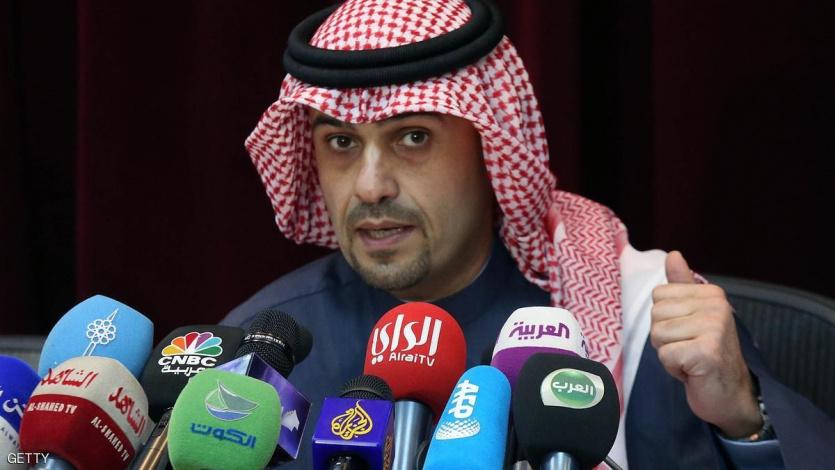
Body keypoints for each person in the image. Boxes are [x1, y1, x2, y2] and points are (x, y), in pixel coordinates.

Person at [222, 0, 834, 468]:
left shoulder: (637, 316)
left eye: (413, 137)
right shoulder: (264, 351)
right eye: (340, 142)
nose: (370, 186)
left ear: (490, 152)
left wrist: (742, 418)